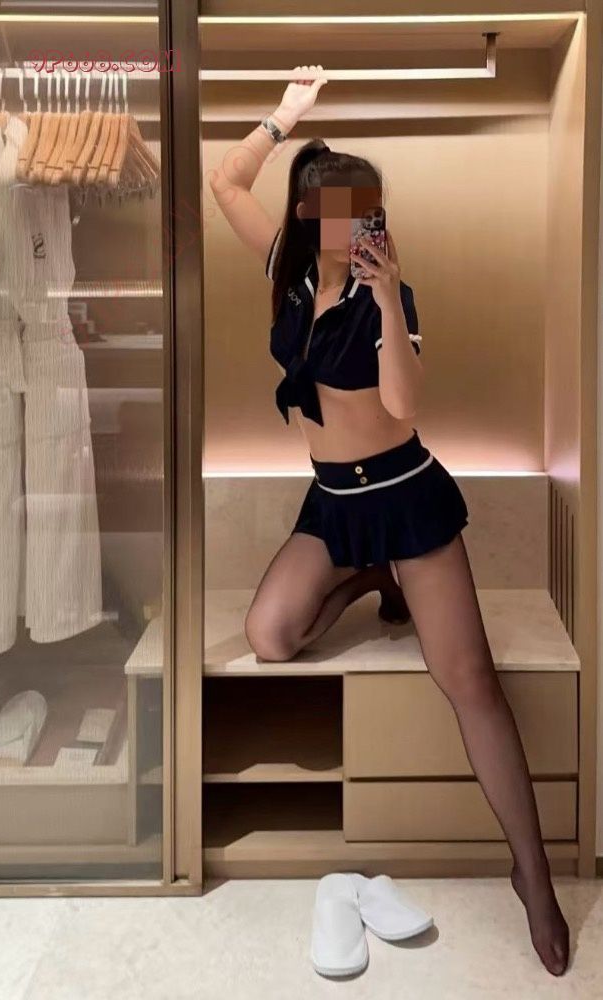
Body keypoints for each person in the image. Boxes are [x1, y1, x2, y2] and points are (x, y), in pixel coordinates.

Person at [208, 65, 569, 977]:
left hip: (405, 496)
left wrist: (388, 295)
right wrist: (282, 116)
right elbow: (226, 181)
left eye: (368, 210)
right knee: (270, 636)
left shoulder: (390, 297)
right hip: (333, 505)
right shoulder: (288, 279)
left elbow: (405, 407)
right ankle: (371, 578)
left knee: (468, 680)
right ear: (311, 218)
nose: (359, 224)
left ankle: (533, 877)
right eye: (342, 210)